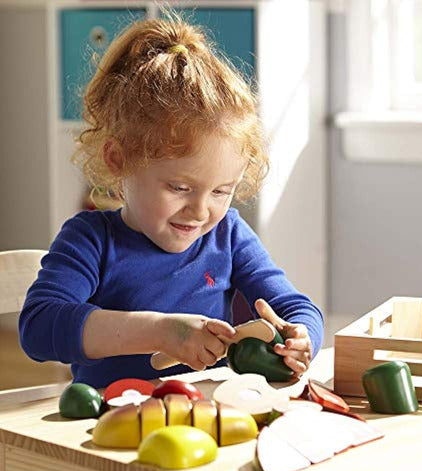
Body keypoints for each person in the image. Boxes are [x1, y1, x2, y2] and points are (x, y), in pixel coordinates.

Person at [19, 14, 324, 389]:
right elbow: (39, 326)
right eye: (179, 188)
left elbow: (296, 308)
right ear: (120, 160)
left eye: (220, 191)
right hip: (108, 430)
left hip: (207, 424)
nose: (200, 211)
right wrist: (161, 331)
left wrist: (301, 338)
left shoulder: (228, 235)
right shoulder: (91, 239)